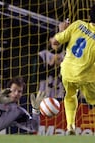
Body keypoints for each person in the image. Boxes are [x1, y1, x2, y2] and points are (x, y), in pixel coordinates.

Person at [50, 5, 95, 135]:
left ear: (88, 17)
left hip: (67, 72)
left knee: (69, 96)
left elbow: (55, 43)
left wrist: (61, 30)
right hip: (86, 76)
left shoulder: (77, 24)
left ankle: (70, 127)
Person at [38, 31, 65, 98]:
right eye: (55, 37)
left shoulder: (67, 55)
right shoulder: (43, 54)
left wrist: (61, 66)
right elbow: (39, 76)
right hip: (44, 92)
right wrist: (51, 63)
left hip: (59, 94)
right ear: (50, 39)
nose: (57, 40)